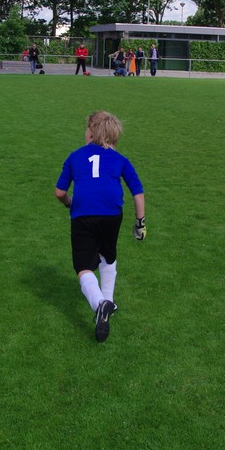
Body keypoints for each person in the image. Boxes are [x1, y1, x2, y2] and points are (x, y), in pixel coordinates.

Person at [55, 111, 146, 343]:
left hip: (83, 214)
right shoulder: (121, 160)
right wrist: (140, 222)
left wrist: (69, 203)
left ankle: (100, 304)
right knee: (108, 254)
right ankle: (108, 302)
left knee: (83, 266)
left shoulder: (75, 156)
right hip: (112, 214)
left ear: (91, 133)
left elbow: (60, 192)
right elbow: (137, 192)